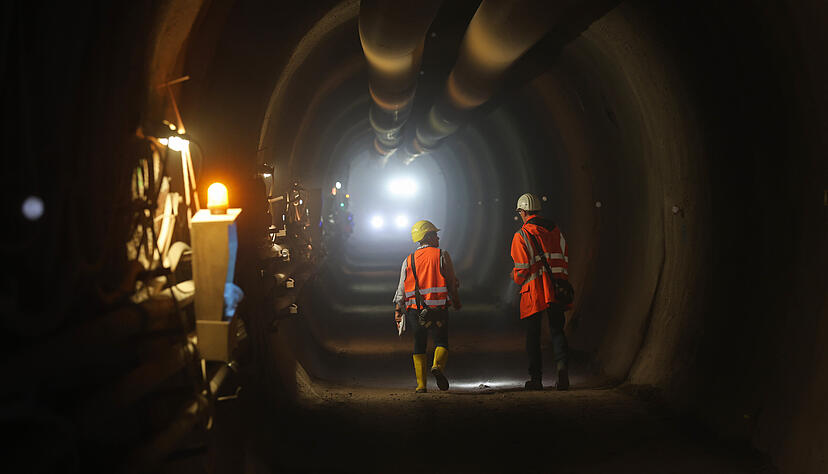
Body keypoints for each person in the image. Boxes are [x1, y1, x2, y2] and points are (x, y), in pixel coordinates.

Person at [510, 193, 572, 390]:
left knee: (533, 336)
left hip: (534, 291)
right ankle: (562, 370)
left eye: (520, 212)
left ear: (523, 212)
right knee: (557, 331)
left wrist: (515, 277)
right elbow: (564, 256)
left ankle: (536, 379)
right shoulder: (555, 230)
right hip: (556, 288)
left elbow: (522, 269)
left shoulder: (522, 235)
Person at [393, 220, 462, 393]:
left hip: (415, 312)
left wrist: (398, 311)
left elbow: (401, 288)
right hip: (438, 310)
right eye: (435, 234)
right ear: (428, 237)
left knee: (419, 343)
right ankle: (437, 366)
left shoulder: (408, 260)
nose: (438, 237)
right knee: (441, 341)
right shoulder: (442, 255)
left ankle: (421, 385)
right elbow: (452, 283)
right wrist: (456, 300)